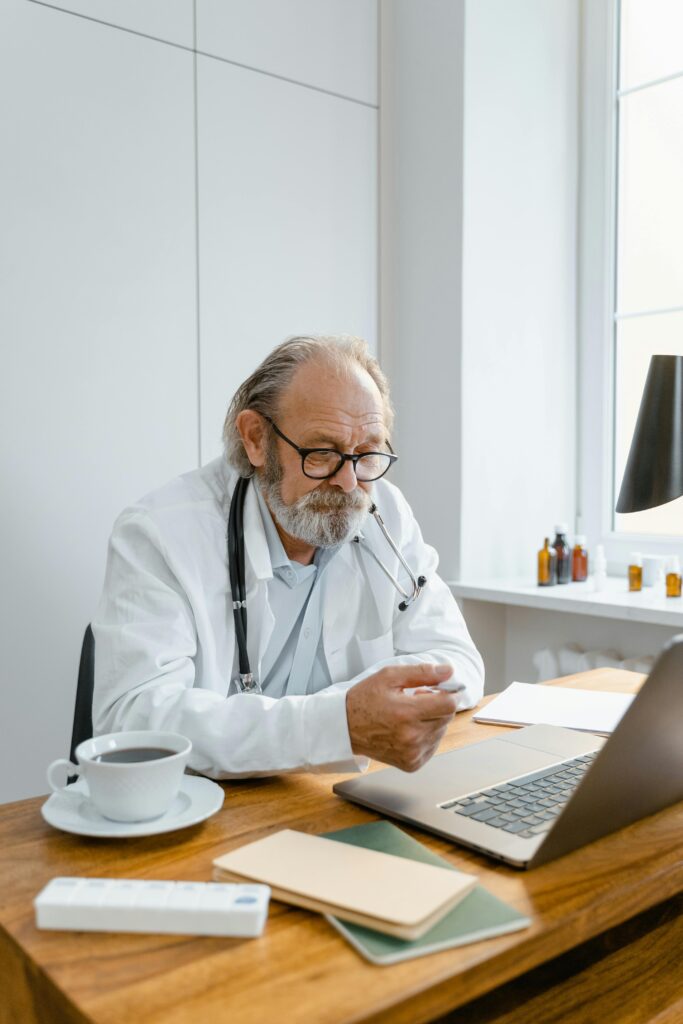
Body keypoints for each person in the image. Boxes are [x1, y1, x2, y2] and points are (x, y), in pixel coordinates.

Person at [92, 335, 484, 778]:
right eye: (322, 453)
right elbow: (133, 718)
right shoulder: (160, 534)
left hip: (333, 792)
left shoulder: (385, 512)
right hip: (205, 805)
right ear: (256, 439)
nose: (349, 483)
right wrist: (338, 723)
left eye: (367, 453)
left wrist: (364, 711)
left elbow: (457, 659)